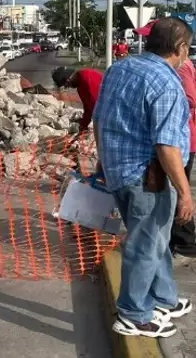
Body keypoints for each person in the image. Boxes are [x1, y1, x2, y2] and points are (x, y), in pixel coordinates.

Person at [94, 17, 194, 338]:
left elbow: (99, 119)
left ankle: (163, 297)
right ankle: (134, 314)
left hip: (119, 170)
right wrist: (186, 192)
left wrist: (102, 160)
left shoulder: (120, 69)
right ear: (179, 47)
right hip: (147, 178)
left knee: (155, 238)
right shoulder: (166, 84)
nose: (188, 54)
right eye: (188, 48)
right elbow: (167, 147)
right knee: (146, 243)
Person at [171, 56, 196, 256]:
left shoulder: (180, 67)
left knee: (180, 190)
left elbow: (190, 98)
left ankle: (185, 240)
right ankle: (182, 237)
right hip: (183, 139)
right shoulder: (182, 66)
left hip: (181, 142)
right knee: (178, 188)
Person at [52, 66, 104, 132]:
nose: (67, 87)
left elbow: (98, 108)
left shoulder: (87, 79)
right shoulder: (80, 84)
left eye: (66, 85)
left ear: (68, 79)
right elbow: (88, 108)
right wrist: (83, 125)